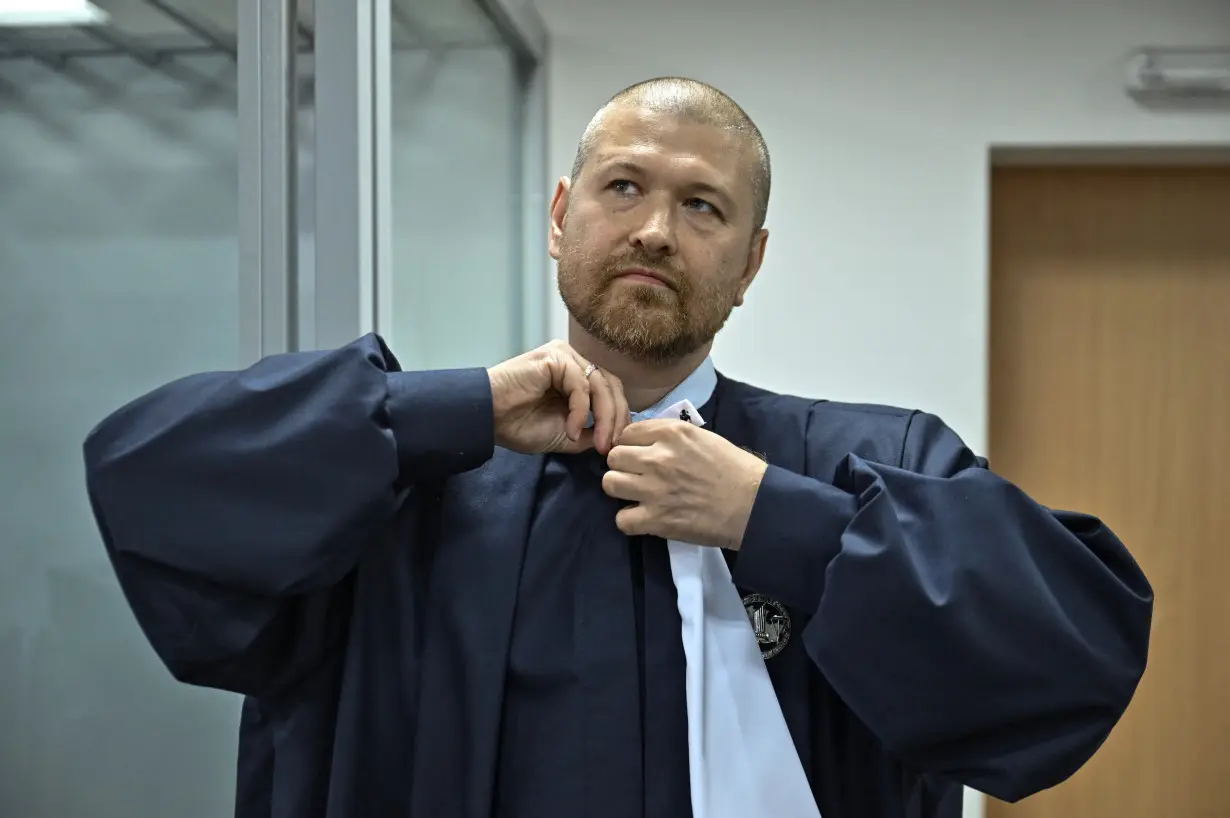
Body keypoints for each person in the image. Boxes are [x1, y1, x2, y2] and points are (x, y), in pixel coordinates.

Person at [82, 77, 1153, 818]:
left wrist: (775, 518)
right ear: (562, 215)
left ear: (750, 262)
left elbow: (1072, 656)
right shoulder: (407, 478)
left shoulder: (865, 465)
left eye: (702, 206)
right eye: (624, 186)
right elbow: (150, 479)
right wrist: (449, 409)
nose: (654, 229)